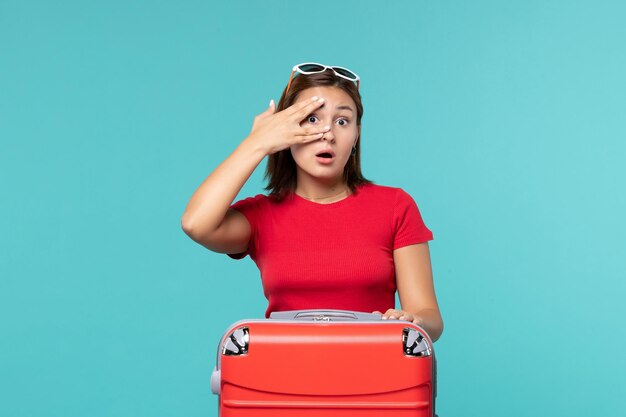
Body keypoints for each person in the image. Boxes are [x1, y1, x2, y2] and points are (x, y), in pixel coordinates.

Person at [181, 63, 443, 341]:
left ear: (355, 135)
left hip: (376, 376)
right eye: (312, 119)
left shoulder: (395, 206)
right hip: (283, 376)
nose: (328, 133)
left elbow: (429, 316)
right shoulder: (261, 215)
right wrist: (257, 143)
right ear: (285, 131)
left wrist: (414, 320)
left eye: (342, 121)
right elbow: (196, 223)